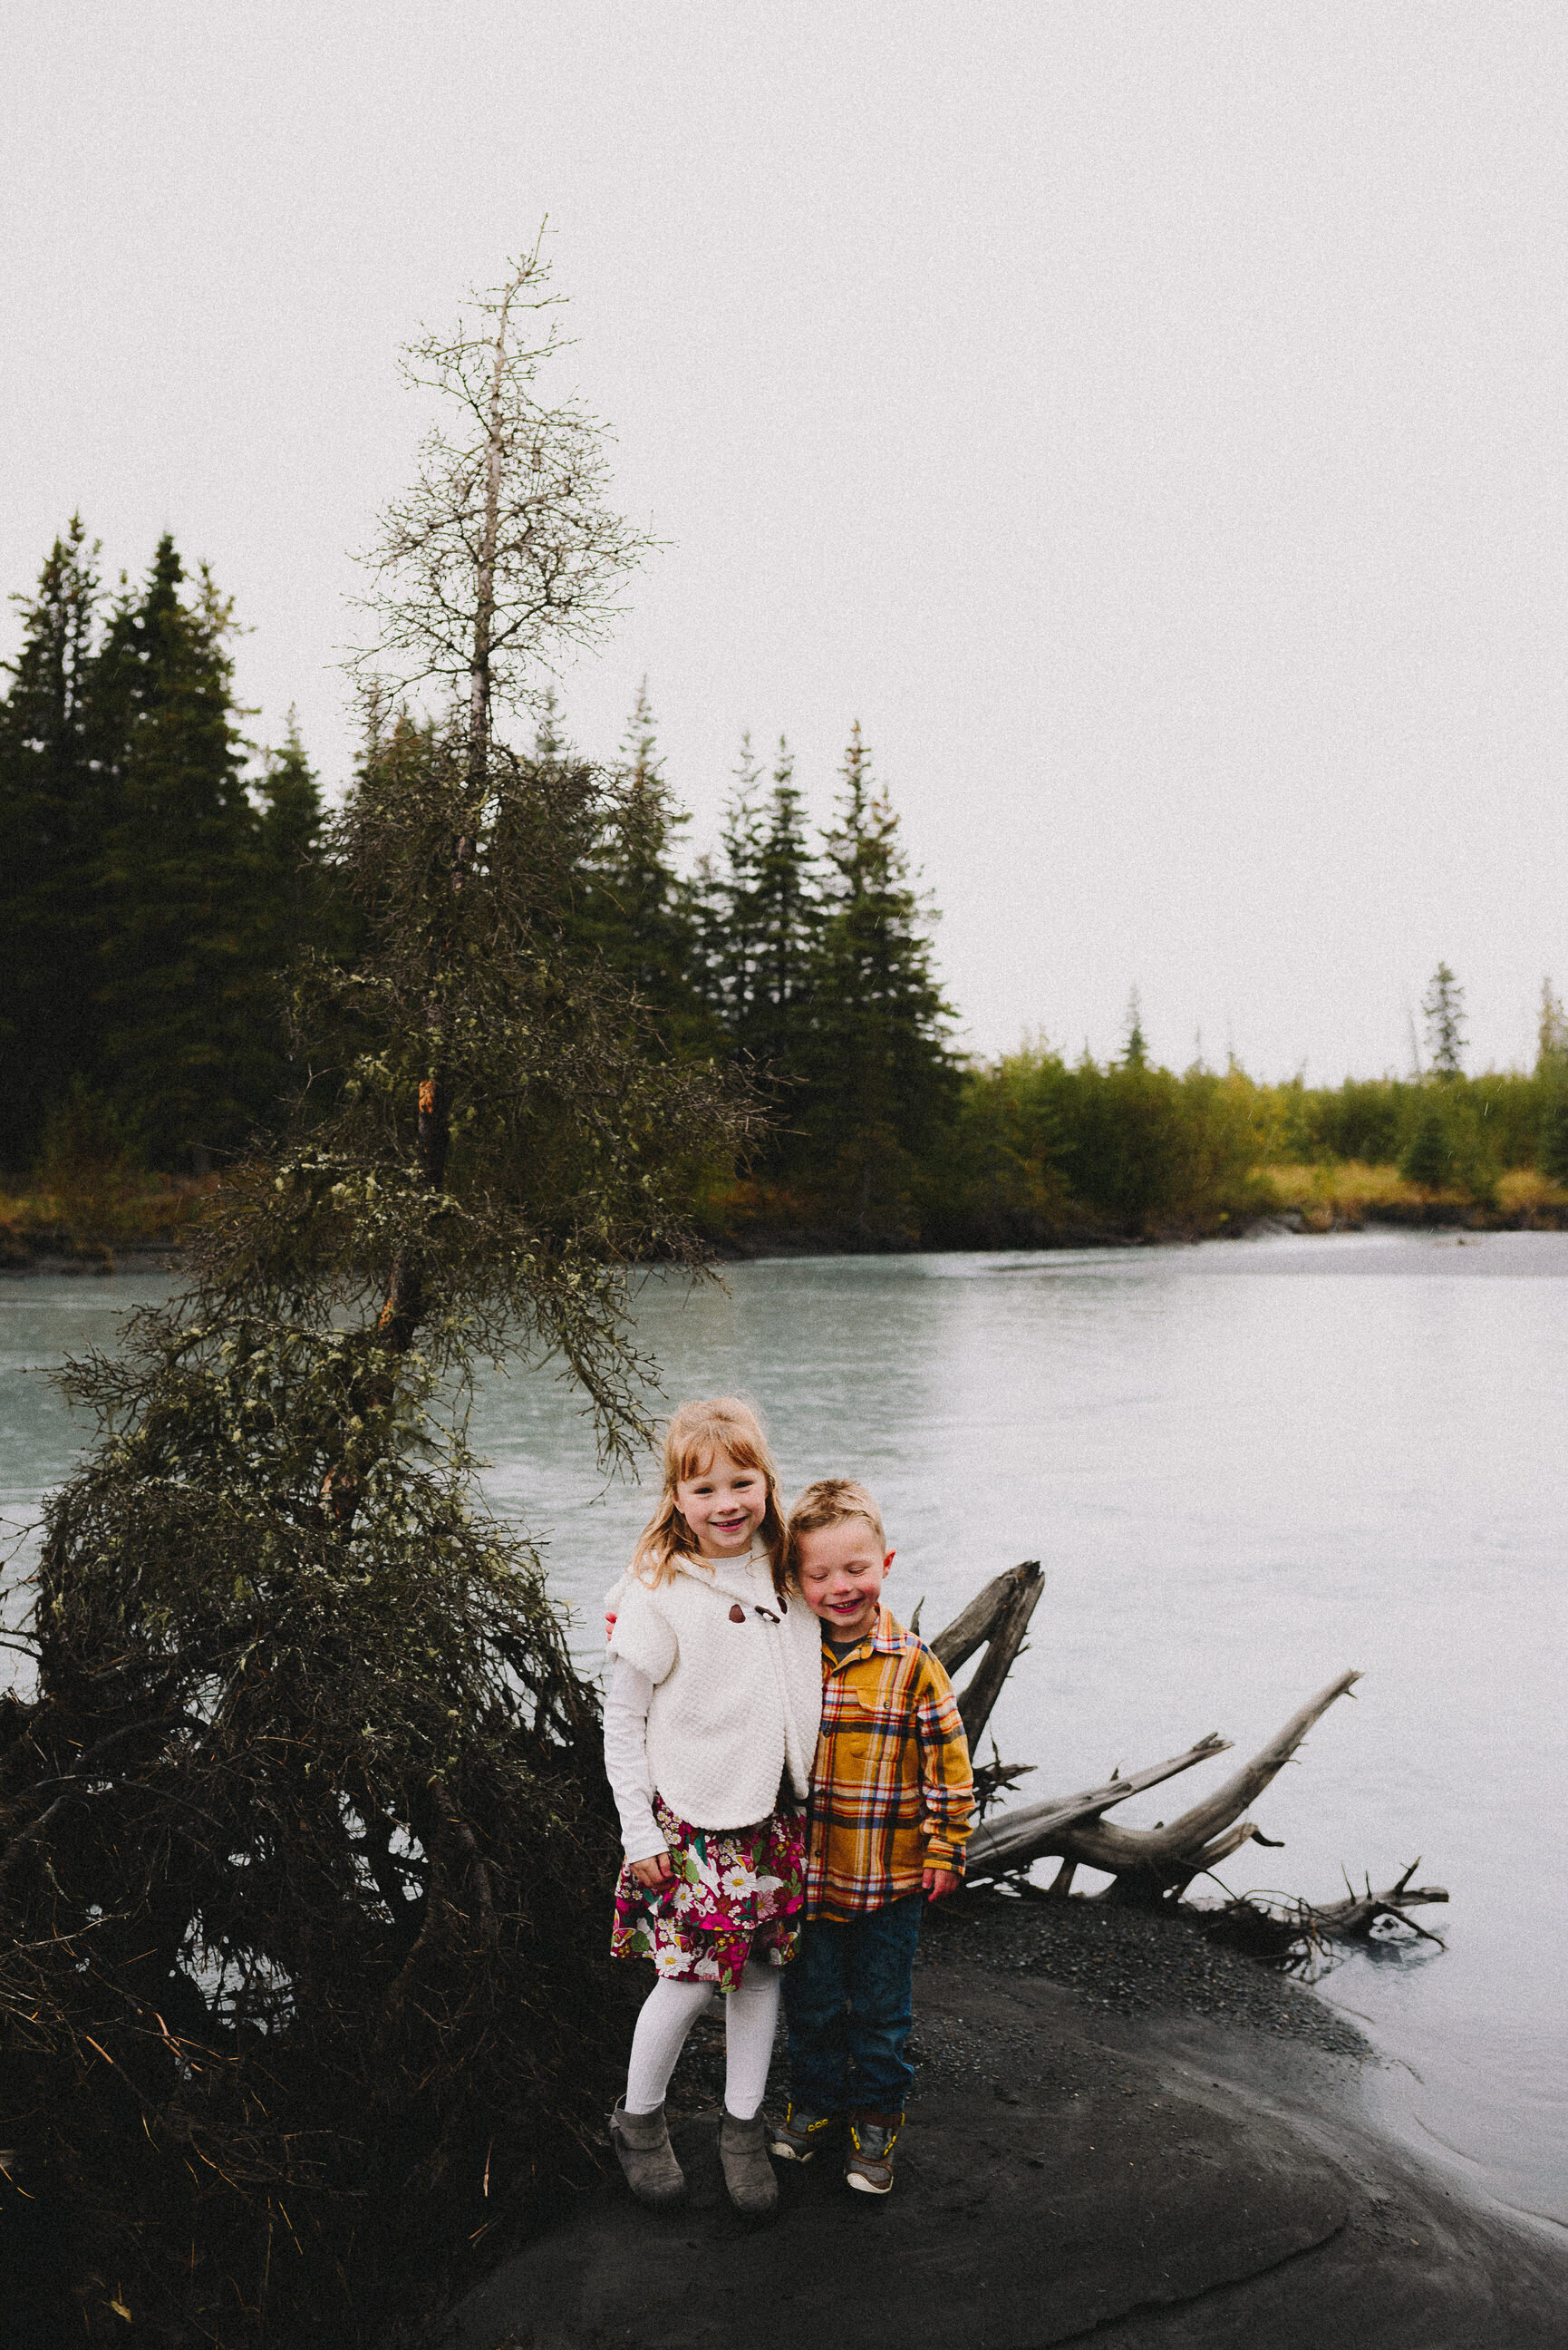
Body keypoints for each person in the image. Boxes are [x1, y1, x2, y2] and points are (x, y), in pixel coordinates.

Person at [602, 1397, 822, 2216]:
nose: (727, 1503)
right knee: (689, 1983)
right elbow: (621, 1721)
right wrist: (637, 1832)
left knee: (762, 1975)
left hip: (774, 1820)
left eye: (743, 1482)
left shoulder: (785, 1568)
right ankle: (641, 2122)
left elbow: (845, 1584)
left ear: (767, 1482)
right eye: (705, 1491)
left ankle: (740, 2127)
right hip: (693, 1824)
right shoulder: (658, 1590)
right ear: (676, 1500)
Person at [769, 1478, 974, 2197]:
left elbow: (950, 1769)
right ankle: (816, 2107)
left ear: (886, 1563)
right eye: (818, 1574)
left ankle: (878, 2121)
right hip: (809, 1882)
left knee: (883, 2010)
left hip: (890, 1882)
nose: (839, 1587)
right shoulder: (788, 1656)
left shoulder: (914, 1665)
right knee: (814, 2005)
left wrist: (947, 1849)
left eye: (854, 1569)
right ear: (795, 1580)